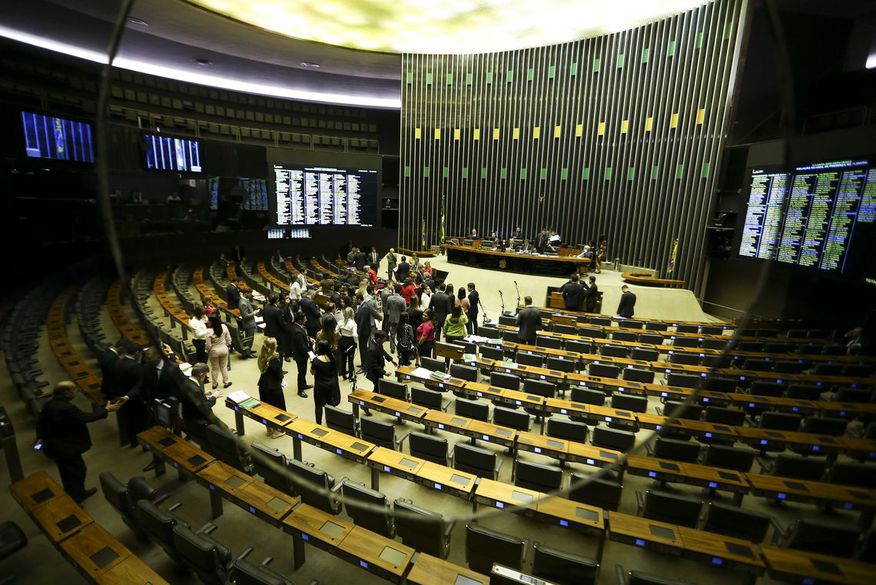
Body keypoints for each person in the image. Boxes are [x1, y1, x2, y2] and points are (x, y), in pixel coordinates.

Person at [36, 381, 125, 503]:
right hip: (65, 448)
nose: (76, 392)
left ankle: (78, 493)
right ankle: (75, 499)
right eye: (74, 390)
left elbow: (40, 424)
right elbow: (86, 417)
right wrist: (106, 410)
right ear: (66, 392)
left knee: (68, 473)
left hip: (54, 446)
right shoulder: (67, 408)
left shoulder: (49, 403)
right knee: (76, 472)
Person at [100, 340, 144, 447]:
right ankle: (142, 443)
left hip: (120, 395)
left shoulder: (118, 361)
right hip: (133, 399)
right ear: (137, 353)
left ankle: (133, 442)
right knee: (138, 422)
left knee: (129, 421)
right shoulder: (135, 366)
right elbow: (141, 384)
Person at [178, 362, 218, 443]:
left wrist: (203, 394)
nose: (205, 378)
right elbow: (205, 407)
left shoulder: (186, 381)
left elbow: (191, 396)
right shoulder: (195, 390)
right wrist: (214, 397)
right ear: (201, 374)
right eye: (205, 375)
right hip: (198, 420)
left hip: (187, 415)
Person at [257, 338, 287, 438]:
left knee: (266, 408)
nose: (278, 345)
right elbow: (279, 374)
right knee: (278, 409)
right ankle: (277, 431)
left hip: (263, 386)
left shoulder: (262, 356)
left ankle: (269, 429)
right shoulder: (274, 359)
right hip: (273, 388)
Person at [311, 340, 341, 425]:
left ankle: (319, 424)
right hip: (331, 385)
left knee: (318, 406)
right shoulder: (332, 358)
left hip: (320, 386)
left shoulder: (316, 360)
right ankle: (333, 422)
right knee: (331, 404)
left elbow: (312, 372)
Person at [206, 315, 232, 390]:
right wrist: (227, 345)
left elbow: (208, 345)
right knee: (224, 367)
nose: (207, 322)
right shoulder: (224, 326)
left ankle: (214, 384)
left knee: (215, 368)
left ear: (212, 322)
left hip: (214, 351)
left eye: (209, 321)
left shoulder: (209, 331)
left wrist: (208, 351)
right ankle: (226, 382)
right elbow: (228, 338)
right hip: (224, 349)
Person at [289, 311, 312, 398]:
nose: (306, 320)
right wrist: (309, 355)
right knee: (301, 373)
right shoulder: (297, 332)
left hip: (301, 354)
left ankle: (304, 384)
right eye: (304, 319)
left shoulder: (297, 327)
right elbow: (302, 347)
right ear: (300, 321)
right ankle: (300, 390)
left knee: (304, 372)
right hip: (300, 356)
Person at [383, 285, 407, 352]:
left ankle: (392, 348)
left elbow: (387, 308)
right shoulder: (402, 300)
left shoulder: (389, 298)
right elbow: (404, 310)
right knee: (401, 334)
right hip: (400, 319)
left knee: (392, 334)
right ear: (401, 291)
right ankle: (400, 348)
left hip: (391, 318)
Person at [337, 306, 358, 381]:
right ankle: (350, 376)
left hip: (342, 341)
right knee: (350, 359)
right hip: (350, 342)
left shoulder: (340, 322)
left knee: (343, 358)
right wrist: (356, 342)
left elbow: (336, 331)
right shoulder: (353, 323)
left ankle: (343, 374)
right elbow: (355, 335)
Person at [237, 290, 257, 358]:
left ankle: (249, 350)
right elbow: (245, 316)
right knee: (249, 338)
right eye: (250, 293)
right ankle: (247, 353)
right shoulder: (243, 303)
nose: (251, 295)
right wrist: (254, 313)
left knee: (250, 338)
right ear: (245, 293)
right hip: (248, 324)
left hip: (250, 323)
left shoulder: (245, 300)